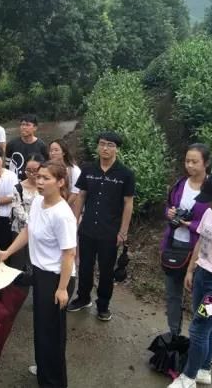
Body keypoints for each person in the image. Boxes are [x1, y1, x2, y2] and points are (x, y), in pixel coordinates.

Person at [0, 160, 77, 388]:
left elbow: (69, 254)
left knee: (53, 334)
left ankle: (54, 382)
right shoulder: (39, 202)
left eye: (46, 178)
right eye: (38, 177)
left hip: (57, 278)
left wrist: (62, 289)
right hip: (41, 274)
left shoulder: (62, 215)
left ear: (60, 182)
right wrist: (7, 252)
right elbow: (28, 230)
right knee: (42, 329)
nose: (39, 181)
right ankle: (43, 369)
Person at [168, 174, 212, 388]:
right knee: (206, 327)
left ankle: (188, 378)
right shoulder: (209, 212)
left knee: (198, 328)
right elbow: (200, 242)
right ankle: (204, 370)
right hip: (201, 275)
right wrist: (190, 269)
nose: (210, 204)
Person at [68, 132, 135, 321]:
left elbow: (128, 203)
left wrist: (123, 231)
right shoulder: (88, 169)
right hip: (88, 228)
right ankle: (83, 298)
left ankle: (103, 305)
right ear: (97, 146)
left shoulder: (125, 174)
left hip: (110, 231)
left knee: (106, 271)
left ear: (117, 149)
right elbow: (81, 196)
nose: (105, 148)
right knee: (84, 266)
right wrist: (74, 222)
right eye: (102, 144)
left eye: (110, 145)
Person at [160, 144, 211, 340]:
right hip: (174, 245)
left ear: (206, 163)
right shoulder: (180, 184)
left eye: (194, 162)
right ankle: (174, 333)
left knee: (205, 299)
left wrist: (190, 224)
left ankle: (209, 339)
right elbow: (168, 207)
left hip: (203, 251)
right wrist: (170, 213)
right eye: (187, 161)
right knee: (173, 294)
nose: (189, 165)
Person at [5, 114, 49, 180]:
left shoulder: (41, 146)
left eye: (27, 125)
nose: (24, 127)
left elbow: (46, 166)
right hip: (16, 181)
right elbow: (7, 165)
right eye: (22, 124)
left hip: (35, 181)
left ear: (35, 128)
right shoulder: (11, 144)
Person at [11, 154, 44, 234]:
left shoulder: (46, 187)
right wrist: (32, 222)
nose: (31, 174)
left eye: (35, 170)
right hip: (21, 230)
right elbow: (17, 210)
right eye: (28, 170)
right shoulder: (18, 188)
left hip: (42, 229)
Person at [48, 138, 80, 209]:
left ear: (64, 152)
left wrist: (64, 207)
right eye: (51, 151)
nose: (53, 153)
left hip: (69, 207)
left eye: (56, 150)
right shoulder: (47, 169)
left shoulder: (74, 170)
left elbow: (75, 192)